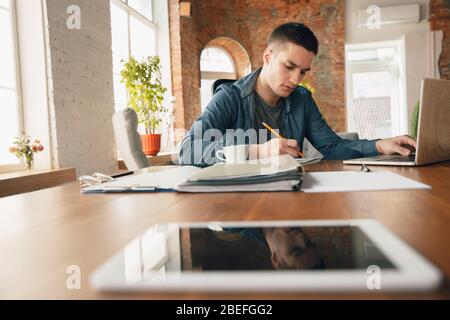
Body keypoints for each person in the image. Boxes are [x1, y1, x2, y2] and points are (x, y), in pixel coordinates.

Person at [179, 22, 416, 166]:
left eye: (303, 71)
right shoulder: (229, 98)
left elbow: (331, 147)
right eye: (289, 67)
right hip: (240, 203)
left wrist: (380, 145)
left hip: (290, 196)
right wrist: (257, 151)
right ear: (268, 57)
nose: (296, 80)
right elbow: (187, 150)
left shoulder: (301, 98)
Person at [223, 226, 325, 270]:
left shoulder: (231, 221)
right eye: (309, 243)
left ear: (276, 259)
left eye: (296, 250)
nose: (301, 237)